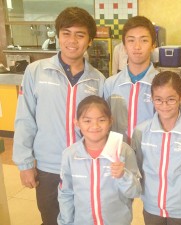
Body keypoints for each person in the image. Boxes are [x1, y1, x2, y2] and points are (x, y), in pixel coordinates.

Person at [12, 7, 106, 225]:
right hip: (48, 168)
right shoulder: (36, 72)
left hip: (86, 166)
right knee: (51, 220)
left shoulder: (97, 80)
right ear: (58, 35)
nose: (72, 40)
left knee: (85, 220)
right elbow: (25, 118)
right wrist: (25, 163)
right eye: (66, 33)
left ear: (89, 40)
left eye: (80, 35)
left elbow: (102, 127)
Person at [132, 71, 181, 225]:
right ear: (152, 99)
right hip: (151, 205)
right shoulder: (141, 131)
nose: (165, 106)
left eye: (171, 100)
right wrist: (146, 194)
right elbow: (138, 165)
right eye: (158, 100)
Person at [57, 95, 141, 225]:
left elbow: (135, 192)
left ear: (110, 121)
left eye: (101, 120)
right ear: (77, 123)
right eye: (87, 121)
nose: (94, 126)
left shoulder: (123, 151)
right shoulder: (69, 155)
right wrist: (65, 222)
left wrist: (123, 175)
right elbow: (66, 193)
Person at [104, 16, 159, 144]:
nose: (137, 46)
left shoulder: (162, 84)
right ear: (124, 46)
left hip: (150, 158)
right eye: (131, 41)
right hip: (118, 157)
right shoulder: (111, 84)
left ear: (153, 46)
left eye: (144, 40)